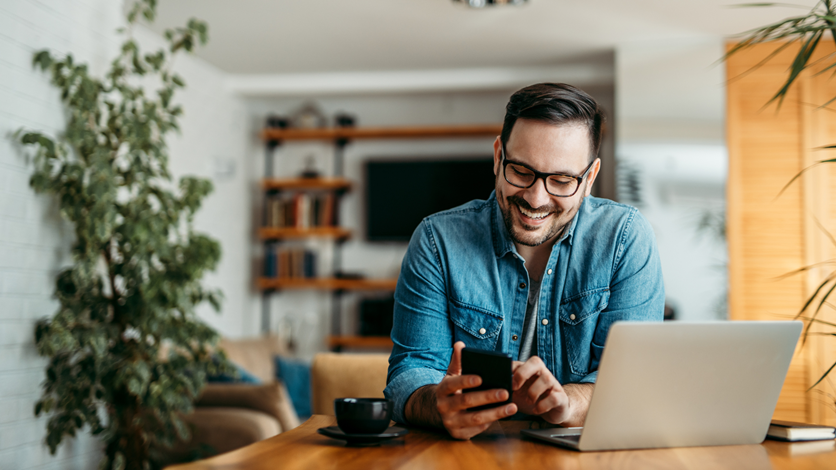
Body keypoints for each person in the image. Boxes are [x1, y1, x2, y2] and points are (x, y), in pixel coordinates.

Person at [383, 83, 665, 440]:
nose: (535, 198)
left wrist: (567, 403)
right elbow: (410, 373)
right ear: (498, 156)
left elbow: (632, 381)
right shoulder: (437, 240)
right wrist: (437, 405)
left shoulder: (625, 239)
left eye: (561, 180)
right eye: (520, 171)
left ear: (590, 177)